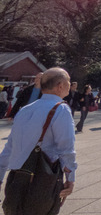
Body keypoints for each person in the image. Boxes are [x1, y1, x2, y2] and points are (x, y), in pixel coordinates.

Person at [0, 68, 77, 208]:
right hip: (42, 178)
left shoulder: (25, 110)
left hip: (16, 176)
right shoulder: (61, 109)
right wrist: (70, 178)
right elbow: (66, 149)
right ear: (60, 85)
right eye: (69, 82)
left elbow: (9, 147)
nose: (70, 85)